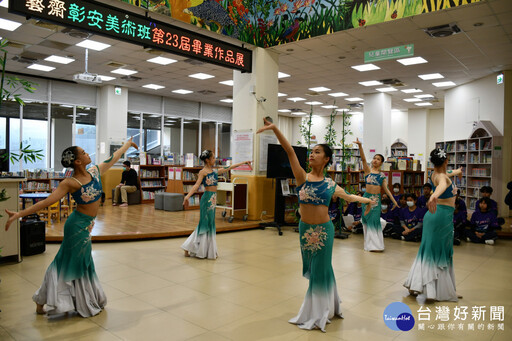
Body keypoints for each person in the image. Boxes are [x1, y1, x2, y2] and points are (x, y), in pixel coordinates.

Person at [257, 117, 375, 332]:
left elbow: (349, 197)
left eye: (317, 152)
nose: (312, 154)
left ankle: (317, 312)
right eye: (312, 151)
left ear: (327, 159)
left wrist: (368, 200)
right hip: (305, 230)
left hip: (324, 231)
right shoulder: (302, 177)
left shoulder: (330, 184)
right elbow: (290, 152)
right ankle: (332, 304)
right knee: (317, 268)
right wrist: (275, 129)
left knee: (320, 269)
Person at [4, 138, 138, 316]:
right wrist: (20, 214)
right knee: (72, 264)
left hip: (87, 224)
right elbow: (47, 201)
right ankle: (48, 299)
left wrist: (127, 145)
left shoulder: (95, 171)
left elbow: (114, 157)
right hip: (76, 227)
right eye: (83, 152)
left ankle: (54, 299)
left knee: (78, 263)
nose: (87, 154)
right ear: (77, 161)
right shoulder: (70, 183)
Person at [403, 148, 463, 302]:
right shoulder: (442, 177)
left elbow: (445, 176)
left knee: (428, 251)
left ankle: (416, 284)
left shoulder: (433, 174)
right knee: (440, 251)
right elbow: (443, 184)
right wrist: (434, 196)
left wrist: (457, 171)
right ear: (445, 161)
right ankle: (438, 290)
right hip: (441, 217)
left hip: (433, 216)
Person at [181, 150, 251, 259]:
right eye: (213, 158)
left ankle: (206, 250)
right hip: (206, 199)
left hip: (213, 199)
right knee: (204, 224)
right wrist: (187, 196)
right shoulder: (203, 172)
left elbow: (230, 167)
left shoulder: (214, 171)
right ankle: (191, 248)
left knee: (210, 224)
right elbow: (196, 186)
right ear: (207, 160)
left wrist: (243, 163)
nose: (215, 160)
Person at [354, 138, 399, 252]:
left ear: (381, 163)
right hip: (366, 199)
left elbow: (387, 190)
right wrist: (360, 146)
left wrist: (394, 202)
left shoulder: (382, 175)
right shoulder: (367, 171)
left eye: (378, 159)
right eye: (374, 158)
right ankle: (368, 245)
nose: (375, 160)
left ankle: (377, 246)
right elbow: (363, 159)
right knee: (366, 221)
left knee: (374, 222)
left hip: (376, 201)